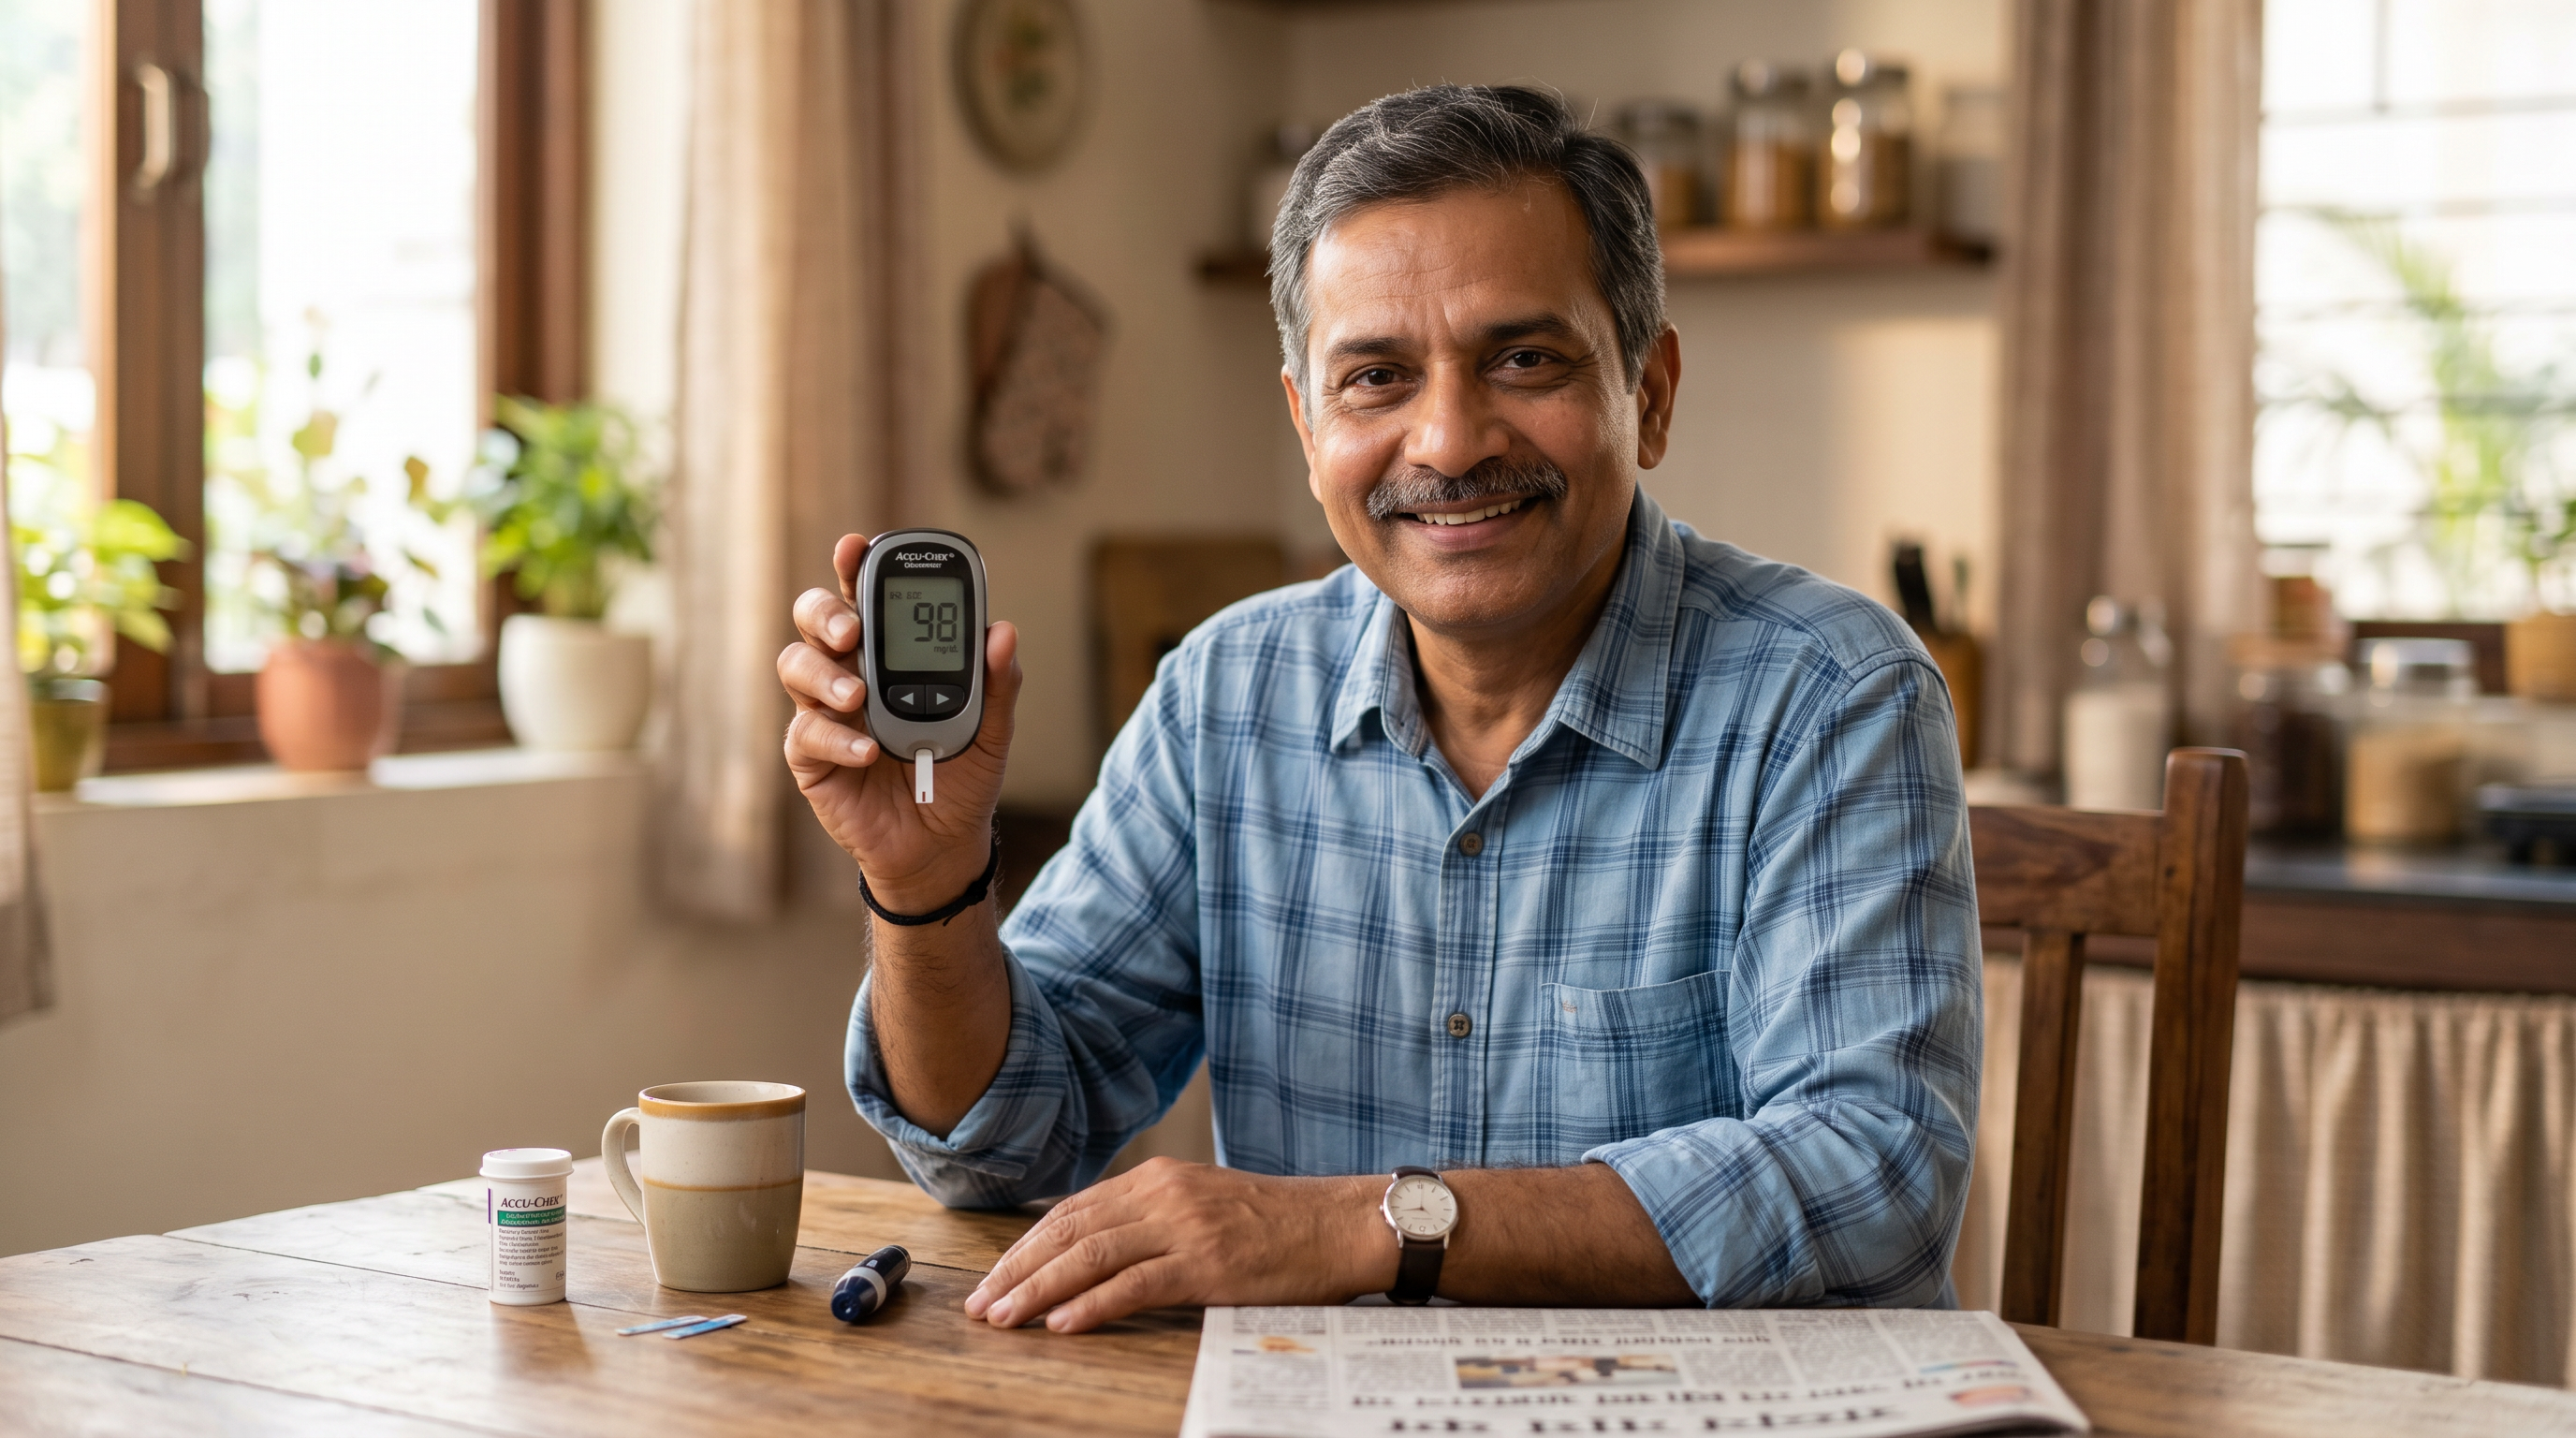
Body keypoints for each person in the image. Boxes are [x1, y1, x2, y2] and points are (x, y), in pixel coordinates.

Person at [777, 84, 1981, 1334]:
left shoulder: (1834, 694)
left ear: (1652, 392)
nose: (1449, 441)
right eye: (1376, 378)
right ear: (1308, 427)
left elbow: (1875, 1173)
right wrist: (926, 884)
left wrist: (1360, 1227)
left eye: (1525, 359)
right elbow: (1002, 1142)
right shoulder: (1224, 694)